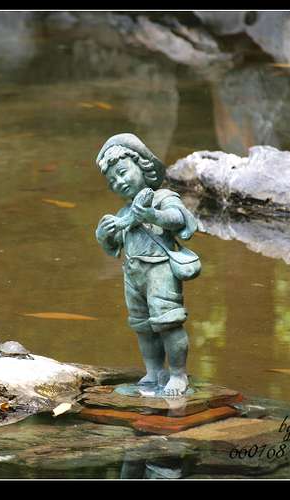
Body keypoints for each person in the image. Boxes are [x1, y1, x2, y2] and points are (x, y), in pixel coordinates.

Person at [95, 133, 200, 396]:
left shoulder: (161, 196)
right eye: (112, 181)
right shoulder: (123, 212)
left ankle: (178, 374)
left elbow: (178, 218)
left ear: (143, 166)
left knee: (168, 322)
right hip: (133, 275)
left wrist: (153, 215)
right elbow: (113, 247)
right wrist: (104, 234)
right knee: (142, 327)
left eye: (122, 173)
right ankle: (153, 371)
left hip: (160, 270)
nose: (119, 182)